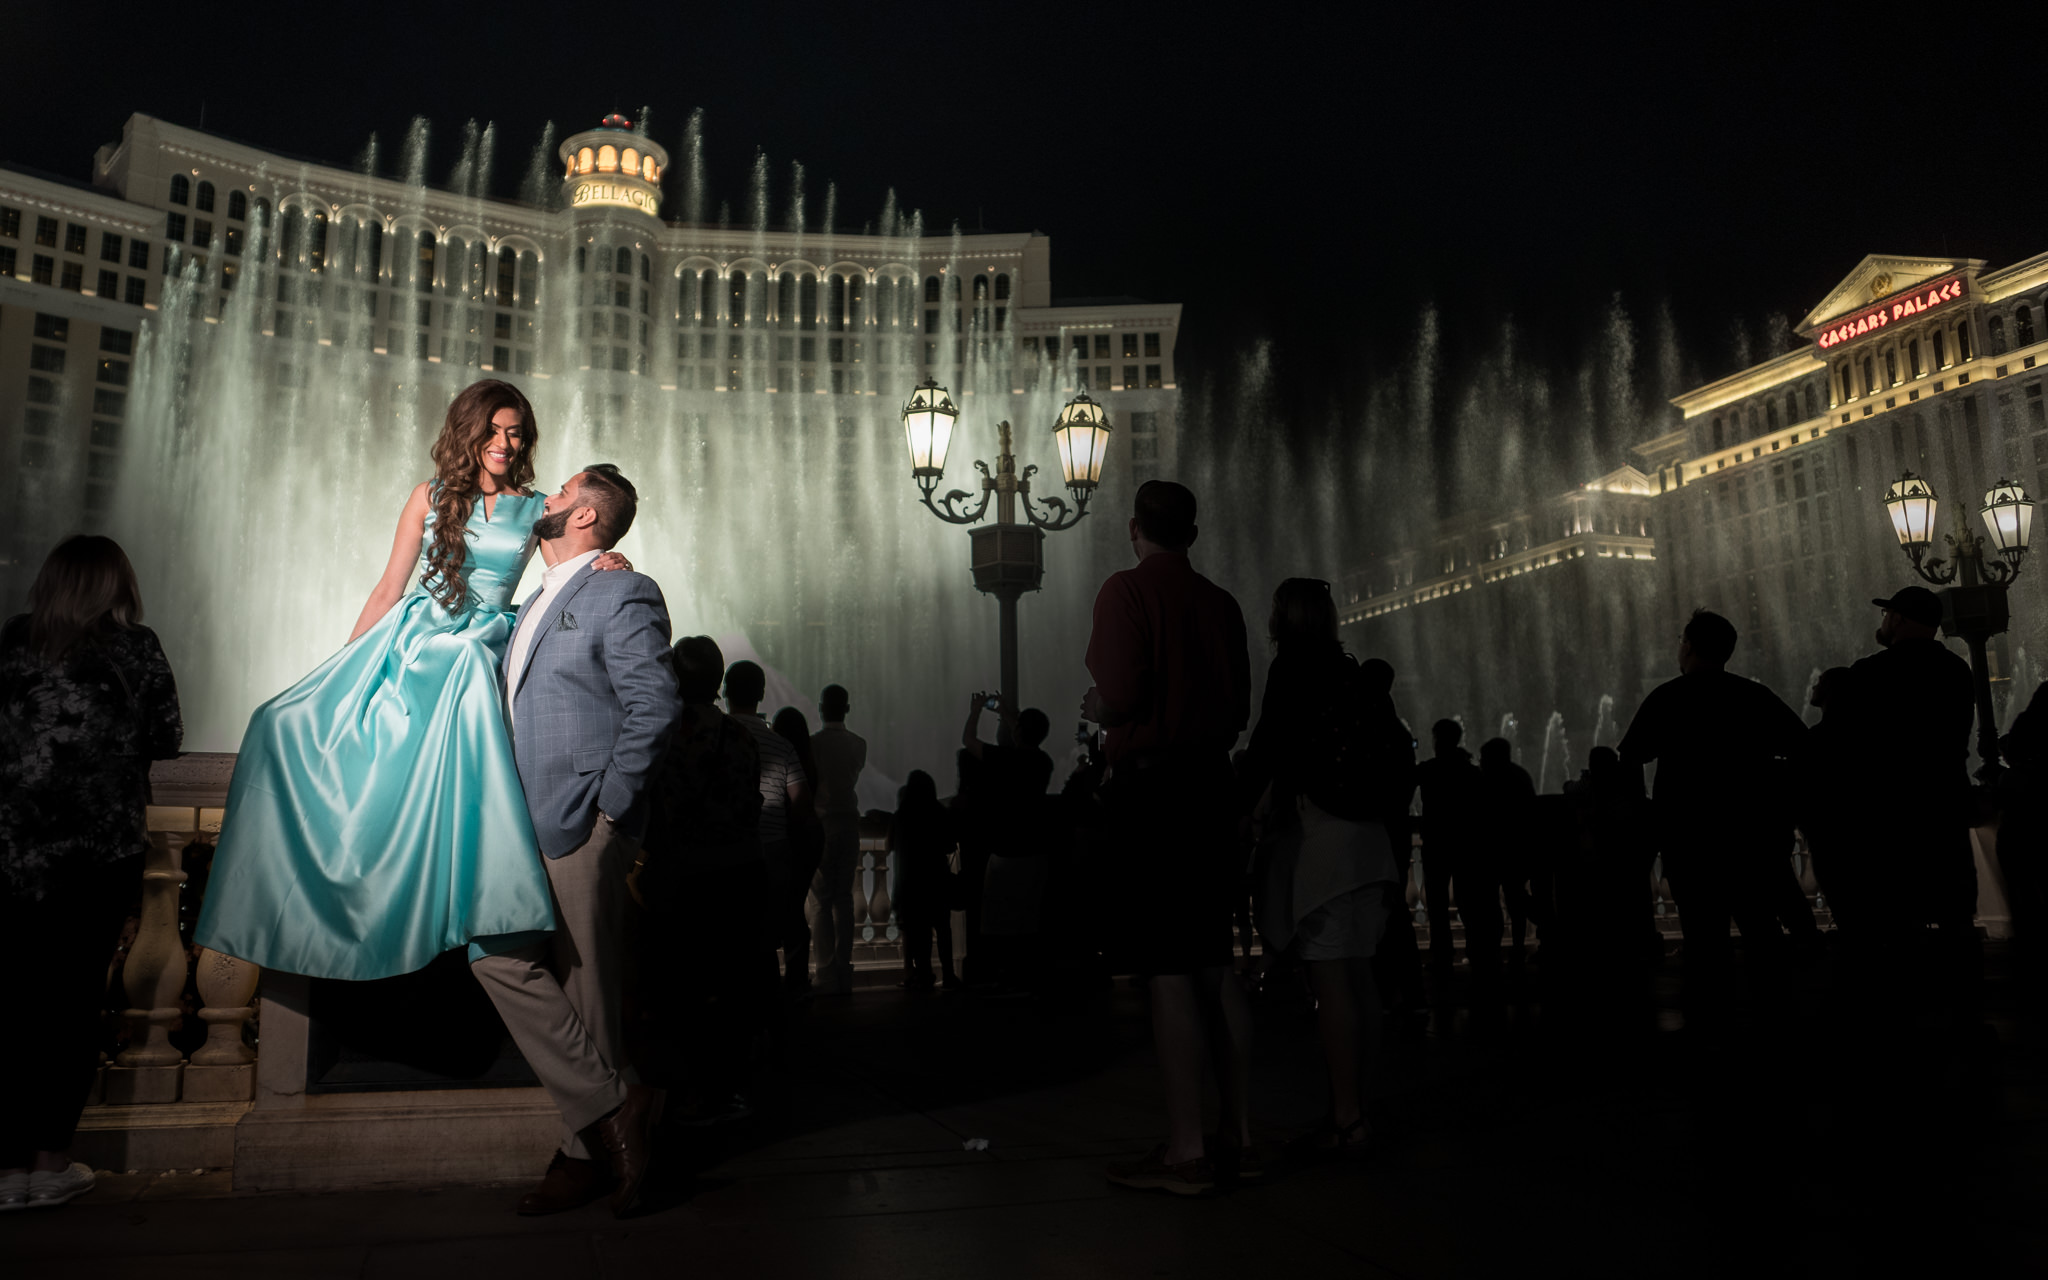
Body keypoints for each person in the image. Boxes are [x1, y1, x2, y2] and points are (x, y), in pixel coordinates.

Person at [196, 381, 632, 980]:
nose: (506, 442)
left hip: (481, 643)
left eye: (517, 432)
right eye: (495, 429)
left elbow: (579, 551)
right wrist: (344, 675)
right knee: (277, 721)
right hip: (413, 632)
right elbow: (386, 589)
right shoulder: (428, 496)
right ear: (469, 430)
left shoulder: (537, 509)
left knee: (465, 664)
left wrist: (612, 561)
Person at [468, 463, 682, 1218]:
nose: (546, 498)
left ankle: (582, 1155)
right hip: (515, 819)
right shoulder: (532, 598)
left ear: (587, 518)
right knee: (494, 954)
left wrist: (611, 809)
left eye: (560, 492)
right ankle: (618, 1107)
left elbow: (654, 702)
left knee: (588, 991)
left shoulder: (621, 588)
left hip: (582, 819)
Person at [0, 537, 182, 1211]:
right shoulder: (135, 649)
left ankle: (8, 1168)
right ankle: (52, 1163)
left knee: (14, 1000)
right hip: (99, 853)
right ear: (117, 585)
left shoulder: (15, 642)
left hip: (16, 853)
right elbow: (167, 737)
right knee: (72, 1001)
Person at [1085, 480, 1254, 1197]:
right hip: (1214, 790)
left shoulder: (1125, 591)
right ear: (1192, 531)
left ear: (1135, 529)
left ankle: (1186, 1152)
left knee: (1169, 969)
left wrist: (1100, 705)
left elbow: (1120, 694)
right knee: (1216, 961)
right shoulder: (1222, 604)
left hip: (1155, 793)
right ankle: (1242, 1135)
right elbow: (1240, 708)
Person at [1240, 578, 1407, 1158]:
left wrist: (1238, 803)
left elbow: (1267, 748)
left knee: (1331, 980)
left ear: (1282, 618)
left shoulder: (1292, 671)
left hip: (1325, 840)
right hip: (1371, 840)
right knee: (1361, 979)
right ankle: (1359, 1102)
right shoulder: (1353, 674)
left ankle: (1347, 1116)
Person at [1617, 608, 1807, 1000]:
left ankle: (1710, 1026)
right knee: (1762, 930)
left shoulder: (1668, 697)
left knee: (1703, 936)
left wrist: (1643, 811)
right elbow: (1804, 749)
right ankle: (1779, 1020)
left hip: (1688, 839)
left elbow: (1631, 757)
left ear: (1687, 646)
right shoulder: (1753, 695)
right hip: (1751, 837)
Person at [633, 635, 768, 1129]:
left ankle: (680, 1090)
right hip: (737, 874)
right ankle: (727, 1087)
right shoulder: (741, 737)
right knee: (730, 986)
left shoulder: (663, 736)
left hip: (683, 878)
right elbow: (751, 806)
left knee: (678, 988)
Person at [1826, 588, 1979, 1019]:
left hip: (1886, 817)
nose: (1885, 619)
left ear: (1901, 620)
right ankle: (1966, 1012)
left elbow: (1841, 746)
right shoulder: (1956, 670)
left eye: (1889, 612)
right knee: (1955, 917)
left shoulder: (1869, 673)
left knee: (1895, 919)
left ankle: (1907, 1014)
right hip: (1944, 808)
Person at [723, 662, 809, 994]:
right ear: (761, 694)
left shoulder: (715, 734)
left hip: (726, 850)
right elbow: (801, 801)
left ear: (725, 691)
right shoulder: (781, 745)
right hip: (773, 850)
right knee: (767, 937)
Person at [963, 691, 1057, 991]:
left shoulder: (1003, 759)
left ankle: (1004, 974)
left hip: (1004, 851)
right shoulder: (1044, 762)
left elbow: (969, 740)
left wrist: (976, 709)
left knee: (999, 917)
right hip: (1036, 850)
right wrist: (1008, 714)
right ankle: (1028, 973)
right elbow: (1026, 735)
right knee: (1029, 916)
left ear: (1017, 731)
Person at [1415, 720, 1492, 972]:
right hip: (1466, 845)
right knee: (1469, 902)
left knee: (1437, 905)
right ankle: (1477, 953)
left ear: (1438, 740)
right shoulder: (1471, 773)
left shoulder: (1429, 770)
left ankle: (1442, 956)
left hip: (1437, 844)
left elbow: (1400, 782)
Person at [808, 684, 868, 996]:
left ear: (820, 708)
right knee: (844, 898)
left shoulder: (812, 745)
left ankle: (825, 971)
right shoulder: (859, 745)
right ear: (846, 709)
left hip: (822, 824)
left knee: (820, 902)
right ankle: (844, 968)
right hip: (849, 822)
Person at [773, 706, 826, 997]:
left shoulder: (781, 757)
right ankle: (797, 977)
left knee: (785, 909)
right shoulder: (807, 759)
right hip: (811, 836)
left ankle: (790, 979)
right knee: (795, 908)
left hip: (792, 837)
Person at [889, 771, 960, 990]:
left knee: (921, 933)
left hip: (912, 883)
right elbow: (950, 846)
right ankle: (949, 974)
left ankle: (924, 974)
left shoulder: (902, 815)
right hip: (937, 880)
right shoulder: (939, 812)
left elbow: (891, 845)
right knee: (943, 929)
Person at [1476, 737, 1539, 962]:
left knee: (1493, 904)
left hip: (1495, 852)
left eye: (1483, 758)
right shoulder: (1520, 777)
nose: (1480, 762)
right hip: (1517, 852)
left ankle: (1494, 948)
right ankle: (1518, 944)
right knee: (1515, 900)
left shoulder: (1487, 781)